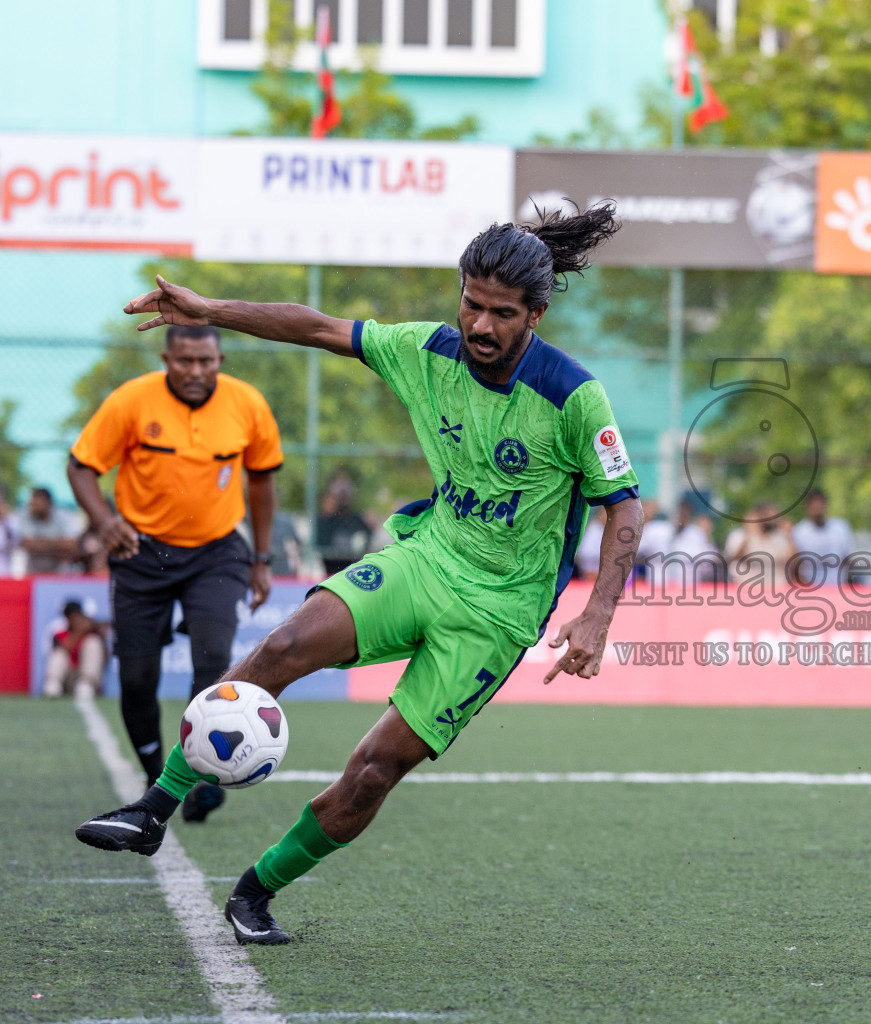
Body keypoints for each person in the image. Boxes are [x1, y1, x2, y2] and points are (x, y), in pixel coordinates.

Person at [75, 208, 644, 949]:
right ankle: (154, 808)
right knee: (284, 646)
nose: (479, 324)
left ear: (535, 315)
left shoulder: (574, 395)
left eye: (501, 314)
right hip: (427, 558)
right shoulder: (424, 350)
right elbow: (313, 326)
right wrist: (209, 309)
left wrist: (597, 615)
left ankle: (256, 892)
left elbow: (625, 506)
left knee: (375, 770)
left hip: (500, 614)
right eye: (470, 302)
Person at [67, 324, 281, 827]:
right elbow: (80, 467)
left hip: (216, 554)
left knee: (213, 667)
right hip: (139, 551)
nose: (195, 371)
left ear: (220, 358)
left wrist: (262, 559)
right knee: (138, 680)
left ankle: (198, 778)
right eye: (184, 361)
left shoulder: (247, 404)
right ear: (167, 358)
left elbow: (262, 479)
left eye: (205, 361)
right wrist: (104, 522)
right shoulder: (131, 401)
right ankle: (152, 777)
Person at [314, 470, 377, 576]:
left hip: (353, 573)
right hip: (331, 573)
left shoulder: (356, 519)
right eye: (339, 490)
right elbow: (321, 546)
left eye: (346, 489)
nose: (343, 494)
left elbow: (368, 540)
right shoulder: (326, 520)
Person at [42, 600, 108, 699]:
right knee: (59, 653)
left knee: (93, 643)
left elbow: (105, 659)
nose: (76, 619)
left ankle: (87, 684)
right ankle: (53, 684)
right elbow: (67, 647)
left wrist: (100, 632)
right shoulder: (59, 634)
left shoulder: (93, 633)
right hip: (67, 679)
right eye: (71, 616)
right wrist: (80, 630)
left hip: (85, 678)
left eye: (78, 615)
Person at [723, 504, 797, 588]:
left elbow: (793, 560)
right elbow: (736, 559)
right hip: (750, 583)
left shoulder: (780, 537)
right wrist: (748, 536)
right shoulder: (743, 536)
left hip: (777, 583)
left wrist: (788, 537)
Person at [792, 488, 852, 585]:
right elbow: (796, 563)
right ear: (807, 507)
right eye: (814, 505)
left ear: (826, 505)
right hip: (811, 586)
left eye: (820, 504)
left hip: (838, 585)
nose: (818, 508)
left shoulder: (840, 527)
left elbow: (847, 558)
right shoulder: (799, 531)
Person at [16, 487, 82, 574]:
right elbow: (26, 543)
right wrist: (58, 548)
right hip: (33, 573)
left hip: (59, 574)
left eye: (37, 504)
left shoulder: (63, 516)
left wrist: (39, 546)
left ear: (48, 503)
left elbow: (72, 544)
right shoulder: (25, 516)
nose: (33, 507)